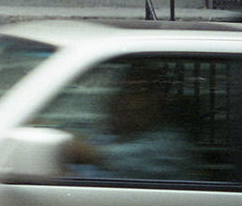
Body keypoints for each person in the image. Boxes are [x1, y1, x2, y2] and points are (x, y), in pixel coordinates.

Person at [61, 61, 198, 180]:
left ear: (158, 102)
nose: (122, 102)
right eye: (120, 92)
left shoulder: (167, 146)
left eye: (135, 93)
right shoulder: (112, 137)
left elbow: (91, 154)